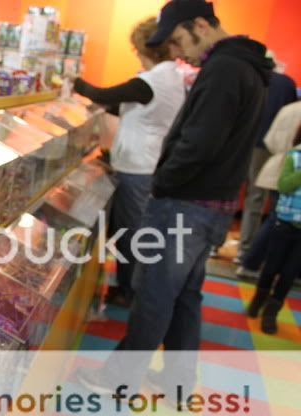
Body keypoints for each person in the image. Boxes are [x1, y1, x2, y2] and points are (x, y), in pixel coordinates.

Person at [77, 0, 274, 395]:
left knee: (154, 293)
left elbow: (198, 144)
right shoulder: (247, 66)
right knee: (185, 295)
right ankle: (177, 380)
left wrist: (162, 182)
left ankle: (119, 380)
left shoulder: (224, 69)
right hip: (214, 204)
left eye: (179, 40)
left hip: (186, 203)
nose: (179, 53)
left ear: (200, 24)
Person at [71, 17, 185, 307]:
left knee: (131, 233)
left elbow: (104, 94)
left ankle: (129, 290)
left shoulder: (151, 81)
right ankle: (128, 286)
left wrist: (73, 81)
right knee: (131, 230)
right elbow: (126, 107)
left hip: (138, 168)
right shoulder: (169, 78)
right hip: (143, 164)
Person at [237, 61, 297, 264]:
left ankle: (216, 245)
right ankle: (245, 251)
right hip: (266, 150)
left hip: (240, 141)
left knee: (231, 193)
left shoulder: (247, 77)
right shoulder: (286, 85)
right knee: (257, 199)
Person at [246, 125, 301, 334]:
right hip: (284, 223)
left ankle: (272, 312)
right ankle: (258, 299)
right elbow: (284, 185)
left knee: (289, 273)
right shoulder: (293, 157)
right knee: (271, 266)